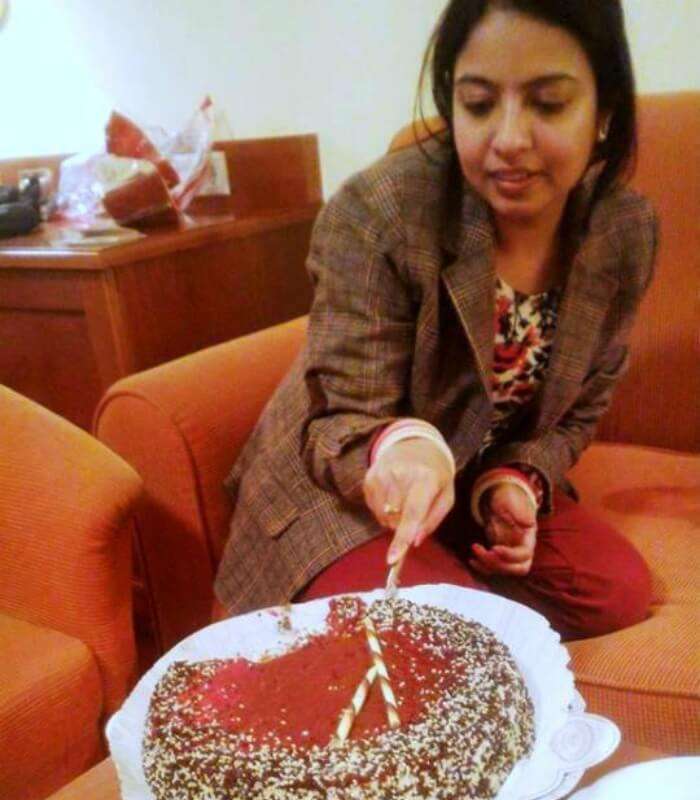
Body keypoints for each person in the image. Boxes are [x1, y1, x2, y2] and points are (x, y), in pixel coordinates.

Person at [214, 0, 658, 640]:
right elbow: (341, 413)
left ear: (605, 112)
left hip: (467, 478)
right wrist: (408, 451)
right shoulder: (382, 212)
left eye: (549, 103)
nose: (508, 138)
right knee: (452, 638)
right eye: (478, 104)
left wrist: (515, 482)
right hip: (343, 483)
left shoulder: (624, 231)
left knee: (615, 590)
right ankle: (444, 600)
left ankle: (451, 585)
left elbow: (581, 410)